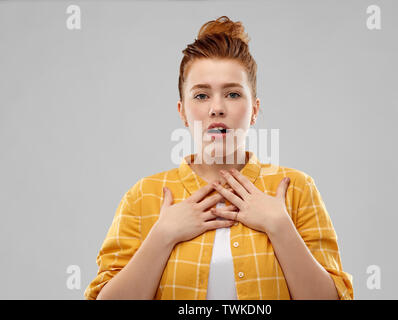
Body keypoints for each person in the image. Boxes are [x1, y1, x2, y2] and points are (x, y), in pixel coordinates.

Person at [84, 16, 354, 300]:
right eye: (201, 96)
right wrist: (162, 235)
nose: (216, 108)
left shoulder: (297, 189)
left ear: (254, 109)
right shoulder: (142, 197)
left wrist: (280, 227)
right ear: (182, 111)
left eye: (233, 94)